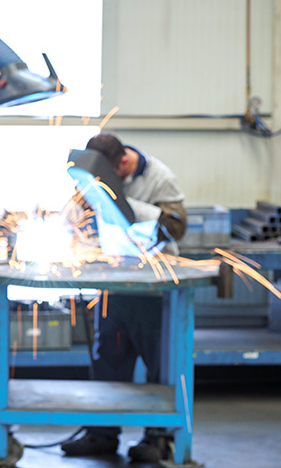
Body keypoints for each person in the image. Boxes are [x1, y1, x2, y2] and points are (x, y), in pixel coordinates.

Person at [61, 132, 187, 463]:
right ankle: (101, 434)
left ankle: (158, 439)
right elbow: (82, 209)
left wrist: (131, 208)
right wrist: (74, 212)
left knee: (160, 363)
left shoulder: (159, 176)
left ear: (124, 163)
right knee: (109, 360)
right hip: (114, 283)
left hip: (153, 287)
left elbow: (177, 226)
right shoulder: (98, 176)